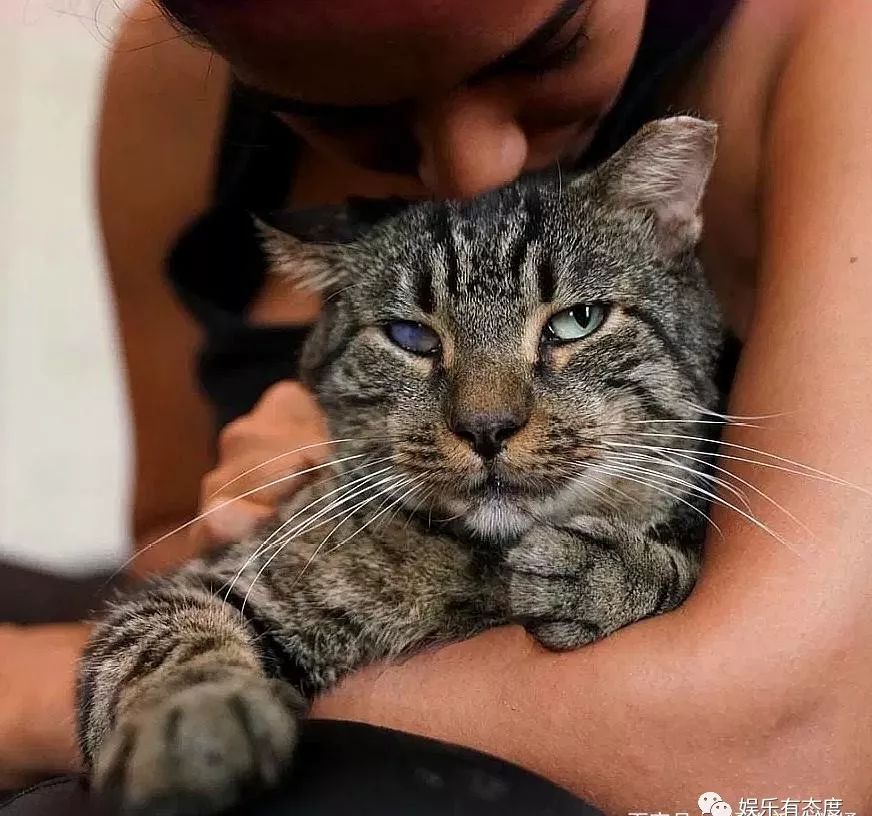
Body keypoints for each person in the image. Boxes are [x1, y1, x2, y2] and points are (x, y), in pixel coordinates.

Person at [3, 0, 872, 811]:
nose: (487, 416)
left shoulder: (830, 46)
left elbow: (788, 779)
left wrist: (36, 698)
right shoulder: (167, 97)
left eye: (552, 47)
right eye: (356, 120)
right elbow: (160, 553)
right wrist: (235, 539)